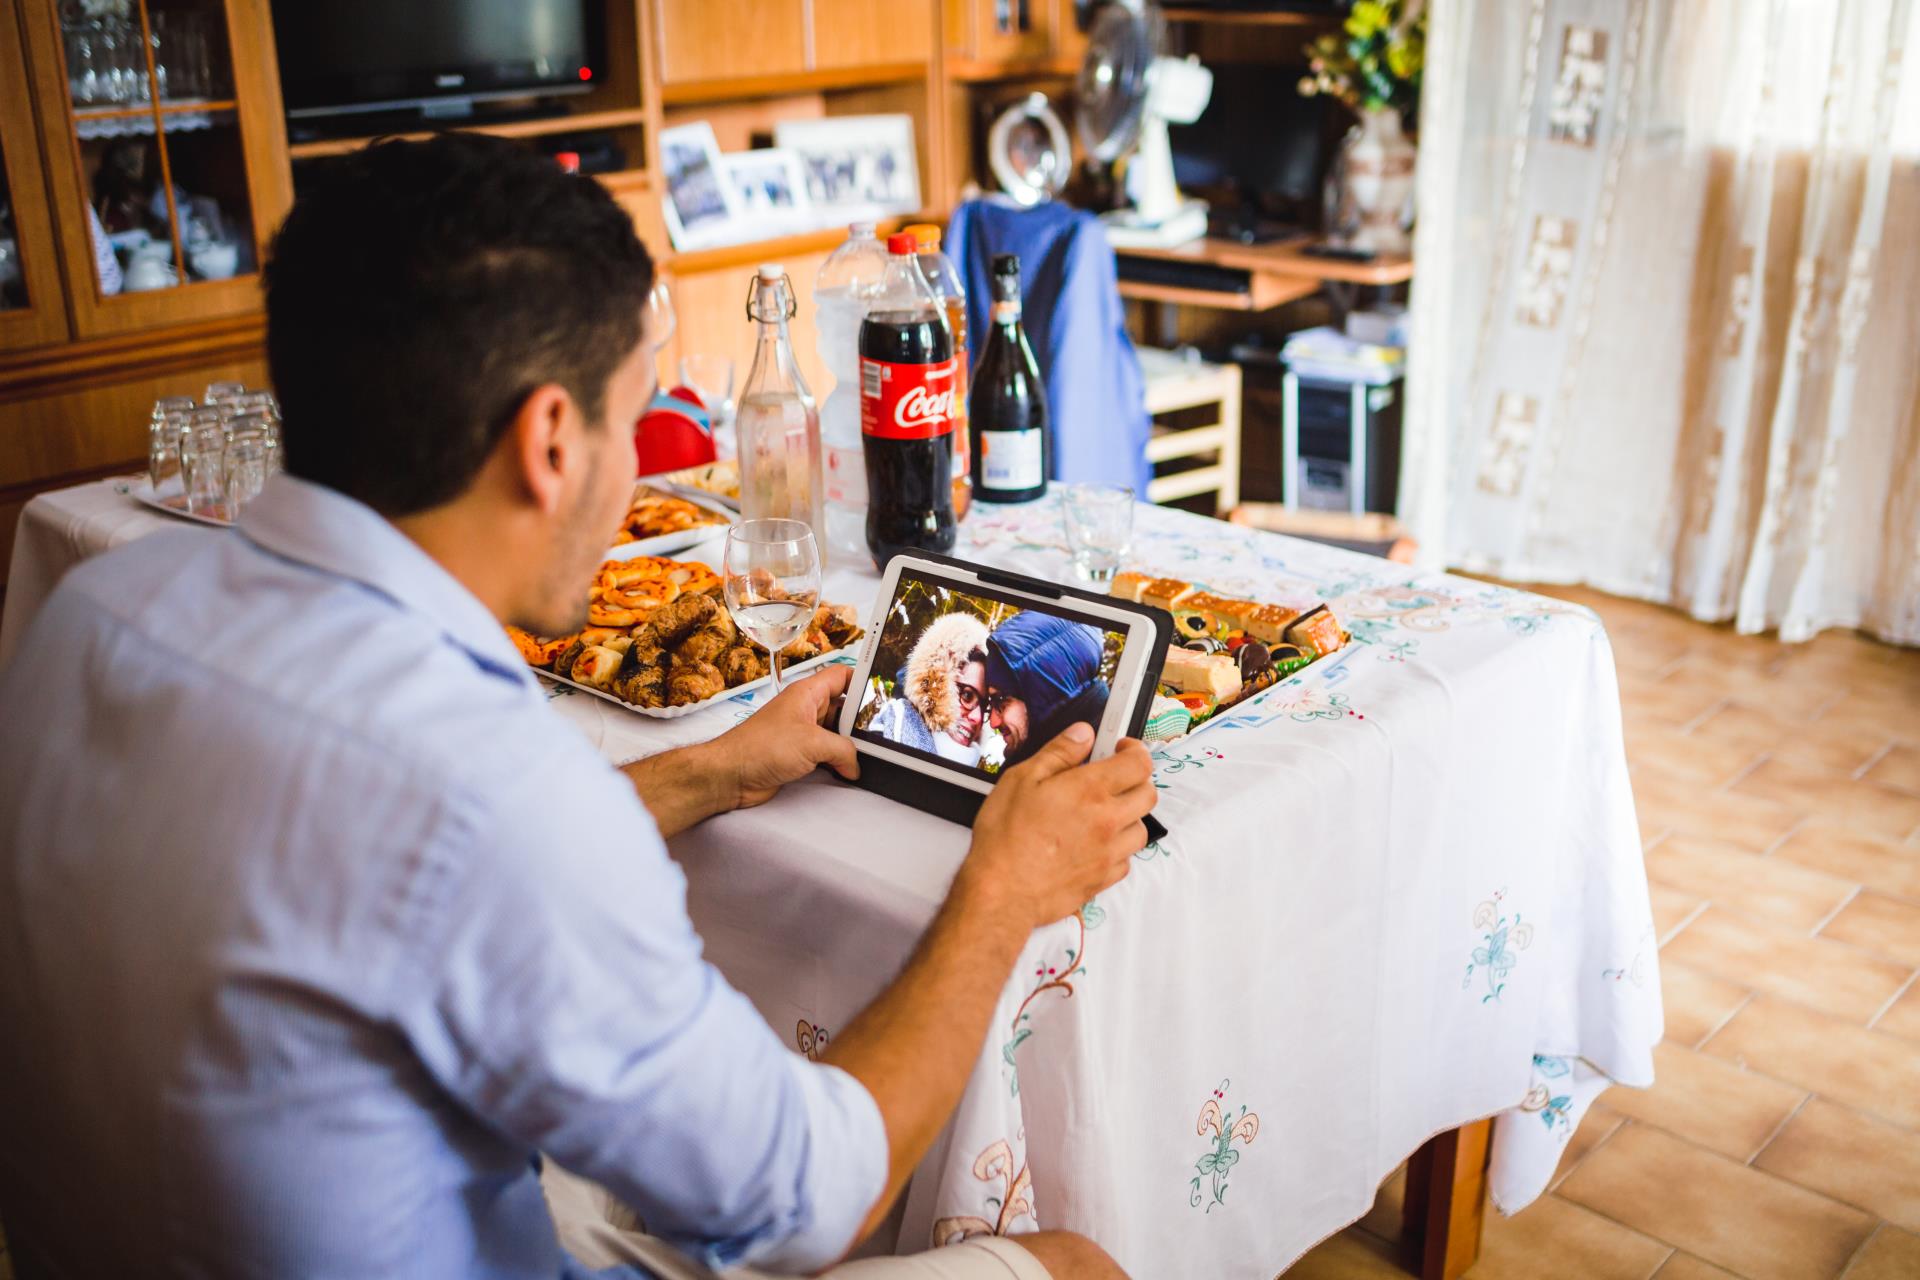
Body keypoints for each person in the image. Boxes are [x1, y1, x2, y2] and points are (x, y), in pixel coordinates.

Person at [0, 135, 1157, 1280]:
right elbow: (808, 1198)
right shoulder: (494, 787)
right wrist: (1001, 892)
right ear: (551, 440)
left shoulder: (92, 606)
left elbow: (391, 868)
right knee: (1076, 1261)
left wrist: (706, 770)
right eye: (634, 419)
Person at [984, 614, 1113, 768]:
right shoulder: (1033, 768)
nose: (993, 722)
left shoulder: (1090, 777)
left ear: (1044, 691)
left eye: (1000, 700)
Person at [866, 613, 991, 767]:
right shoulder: (882, 740)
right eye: (967, 695)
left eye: (985, 706)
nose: (978, 717)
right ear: (937, 687)